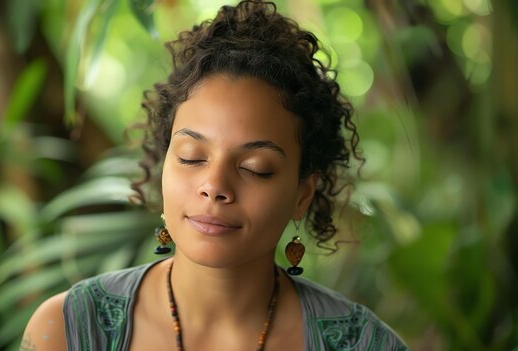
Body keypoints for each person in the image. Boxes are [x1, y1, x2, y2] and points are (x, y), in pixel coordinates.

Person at [21, 1, 409, 350]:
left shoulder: (363, 344)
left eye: (255, 168)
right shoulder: (67, 331)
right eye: (191, 157)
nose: (215, 186)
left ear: (302, 195)